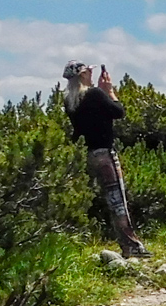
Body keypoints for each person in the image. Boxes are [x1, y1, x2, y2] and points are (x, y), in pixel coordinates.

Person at [63, 61, 148, 258]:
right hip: (104, 153)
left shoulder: (69, 100)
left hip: (85, 153)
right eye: (89, 71)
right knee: (117, 200)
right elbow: (118, 112)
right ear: (83, 74)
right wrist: (109, 90)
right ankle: (131, 246)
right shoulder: (94, 94)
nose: (91, 74)